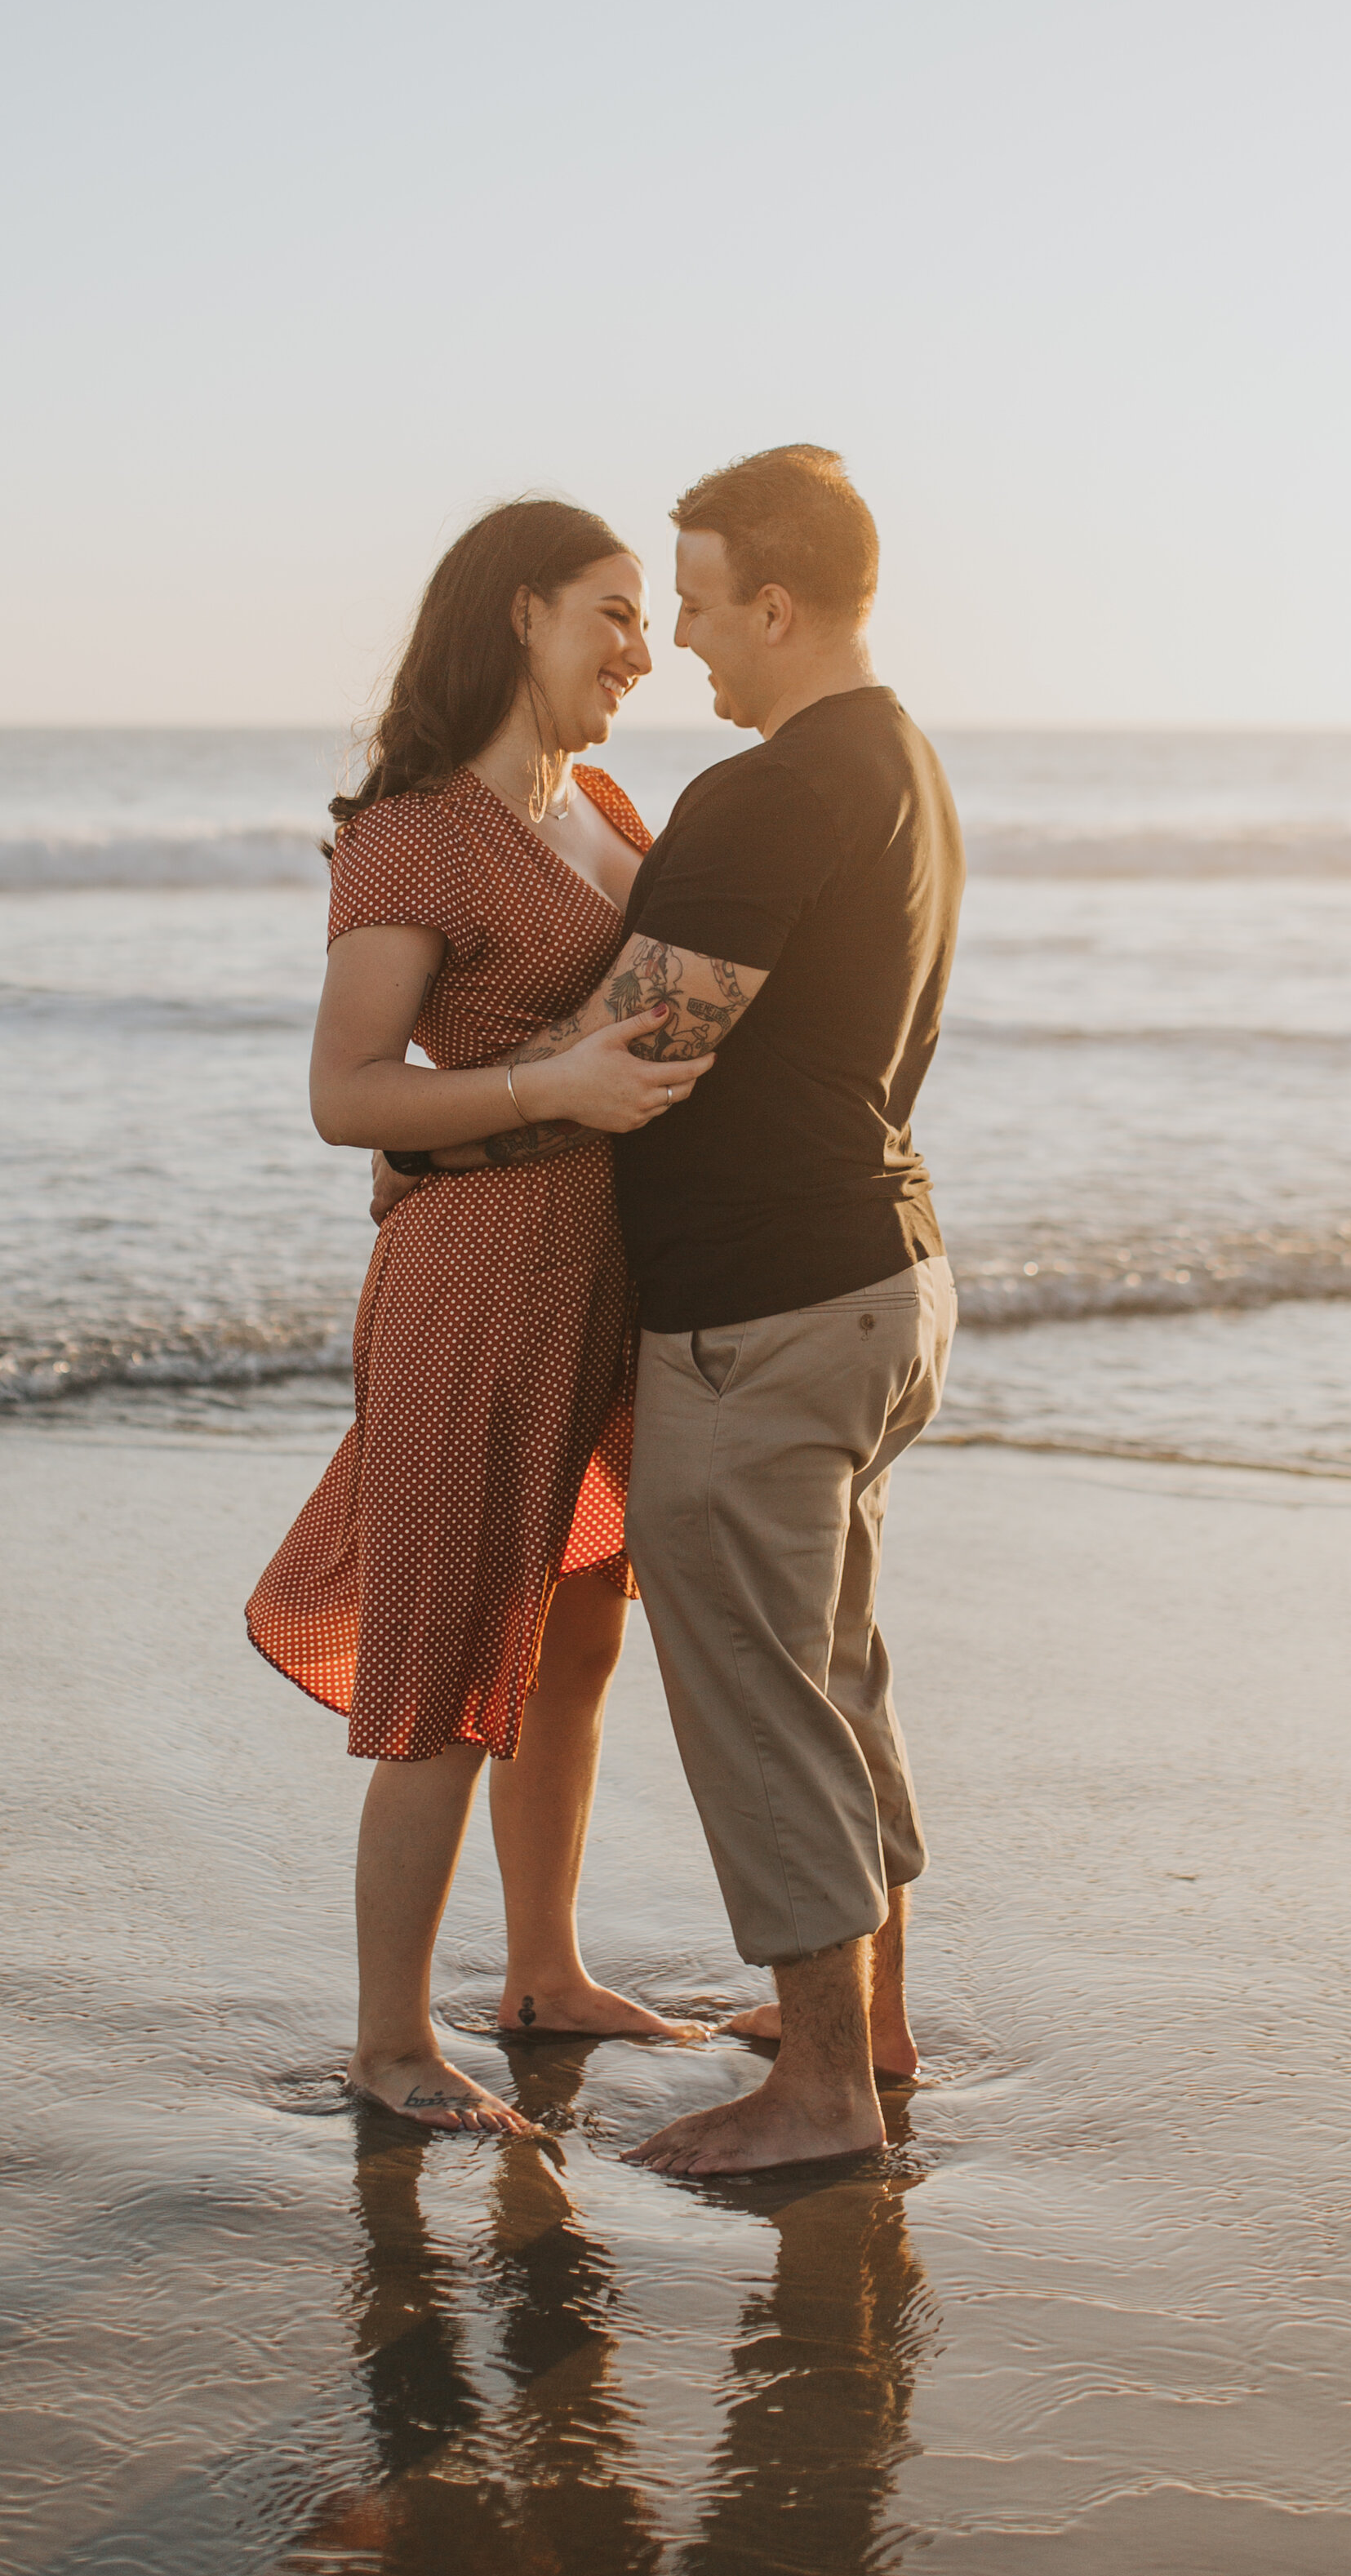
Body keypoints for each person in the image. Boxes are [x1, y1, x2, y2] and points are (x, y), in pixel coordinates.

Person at [398, 445, 964, 2177]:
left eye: (703, 604)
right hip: (880, 1280)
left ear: (776, 605)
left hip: (763, 1307)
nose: (686, 647)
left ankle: (814, 2098)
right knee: (831, 1663)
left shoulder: (764, 796)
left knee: (751, 1686)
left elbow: (636, 1059)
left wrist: (429, 1138)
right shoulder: (902, 766)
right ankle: (857, 2020)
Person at [243, 500, 713, 2135]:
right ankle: (387, 2042)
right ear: (519, 614)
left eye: (648, 621)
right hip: (478, 1282)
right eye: (611, 613)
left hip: (612, 1281)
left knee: (579, 1632)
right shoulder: (414, 836)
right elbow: (342, 1092)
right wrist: (554, 1085)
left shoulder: (598, 801)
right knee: (449, 1653)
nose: (639, 653)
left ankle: (541, 1973)